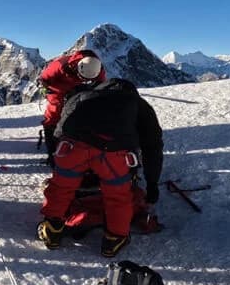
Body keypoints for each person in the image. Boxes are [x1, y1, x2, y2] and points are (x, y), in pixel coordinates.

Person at [37, 78, 163, 258]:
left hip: (72, 146)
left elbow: (59, 130)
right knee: (118, 195)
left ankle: (52, 228)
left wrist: (60, 163)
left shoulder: (82, 96)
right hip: (112, 154)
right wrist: (152, 184)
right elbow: (153, 146)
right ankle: (114, 238)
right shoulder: (139, 105)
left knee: (61, 187)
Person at [39, 49, 106, 165]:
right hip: (58, 88)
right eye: (82, 77)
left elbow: (101, 85)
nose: (83, 80)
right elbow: (44, 78)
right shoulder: (60, 65)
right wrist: (47, 90)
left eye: (86, 80)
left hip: (81, 90)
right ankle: (52, 150)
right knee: (53, 115)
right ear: (77, 68)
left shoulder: (97, 69)